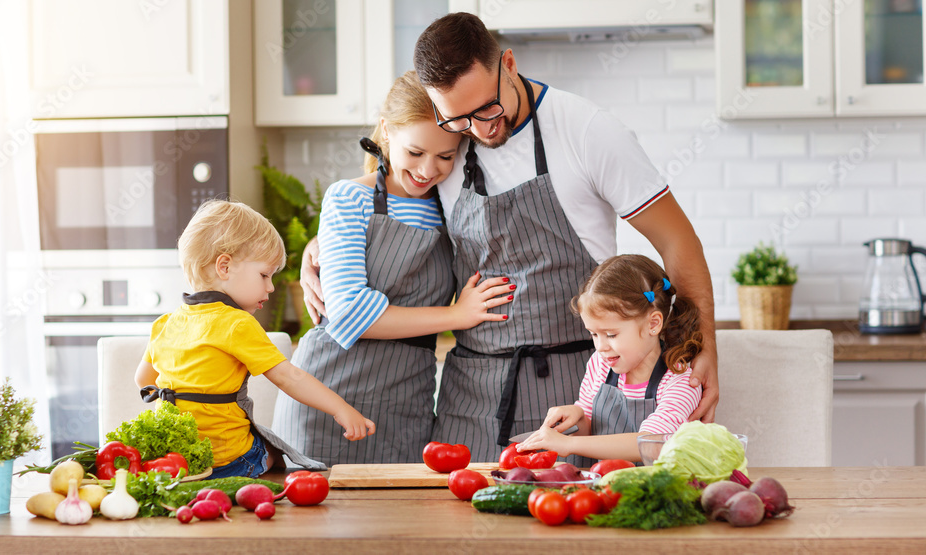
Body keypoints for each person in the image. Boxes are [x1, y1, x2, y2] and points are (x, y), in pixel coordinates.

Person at [301, 13, 717, 462]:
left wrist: (702, 343)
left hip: (571, 390)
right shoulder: (448, 143)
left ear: (510, 65)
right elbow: (396, 202)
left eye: (487, 109)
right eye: (459, 121)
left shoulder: (587, 131)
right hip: (468, 396)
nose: (478, 131)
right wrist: (322, 245)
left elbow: (678, 242)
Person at [271, 71, 513, 466]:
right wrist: (456, 315)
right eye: (415, 152)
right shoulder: (349, 197)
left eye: (445, 156)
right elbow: (350, 313)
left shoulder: (451, 206)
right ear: (386, 131)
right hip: (329, 397)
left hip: (407, 401)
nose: (428, 169)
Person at [134, 199, 375, 478]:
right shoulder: (237, 323)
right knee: (273, 451)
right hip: (228, 462)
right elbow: (289, 378)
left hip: (178, 462)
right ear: (224, 267)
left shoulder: (165, 323)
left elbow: (143, 381)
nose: (271, 287)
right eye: (264, 275)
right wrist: (341, 409)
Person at [516, 255, 703, 461]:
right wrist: (577, 416)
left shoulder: (680, 379)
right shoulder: (600, 364)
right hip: (603, 485)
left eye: (611, 335)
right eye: (594, 334)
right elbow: (590, 430)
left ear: (653, 324)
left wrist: (568, 444)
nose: (601, 347)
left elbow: (653, 444)